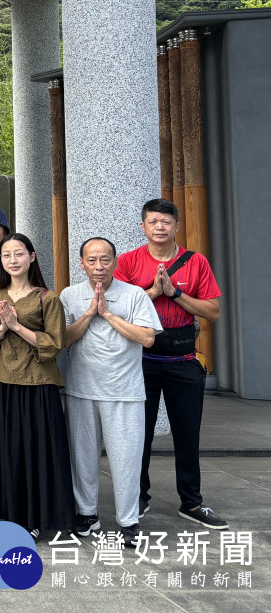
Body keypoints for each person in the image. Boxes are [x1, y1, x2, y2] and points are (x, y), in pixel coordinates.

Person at [116, 198, 227, 530]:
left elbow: (213, 312)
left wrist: (176, 294)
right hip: (141, 361)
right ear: (143, 227)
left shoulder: (195, 262)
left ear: (177, 226)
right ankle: (138, 496)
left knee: (187, 434)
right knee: (140, 434)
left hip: (183, 359)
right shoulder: (128, 262)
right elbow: (118, 311)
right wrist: (154, 292)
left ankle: (191, 502)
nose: (160, 227)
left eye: (166, 222)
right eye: (153, 222)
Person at [62, 237, 161, 546]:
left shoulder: (134, 295)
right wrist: (90, 312)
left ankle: (129, 521)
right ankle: (87, 514)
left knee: (126, 459)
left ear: (116, 262)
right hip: (81, 388)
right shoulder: (69, 295)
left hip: (125, 391)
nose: (98, 266)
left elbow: (147, 338)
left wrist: (108, 315)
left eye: (105, 259)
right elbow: (64, 339)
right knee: (82, 456)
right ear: (81, 263)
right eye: (91, 260)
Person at [0, 233, 74, 537]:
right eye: (6, 255)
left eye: (19, 254)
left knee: (37, 451)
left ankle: (36, 518)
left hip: (38, 385)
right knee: (8, 449)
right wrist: (1, 329)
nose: (12, 260)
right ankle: (10, 513)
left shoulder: (48, 298)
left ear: (32, 257)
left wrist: (16, 326)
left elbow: (54, 344)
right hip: (2, 382)